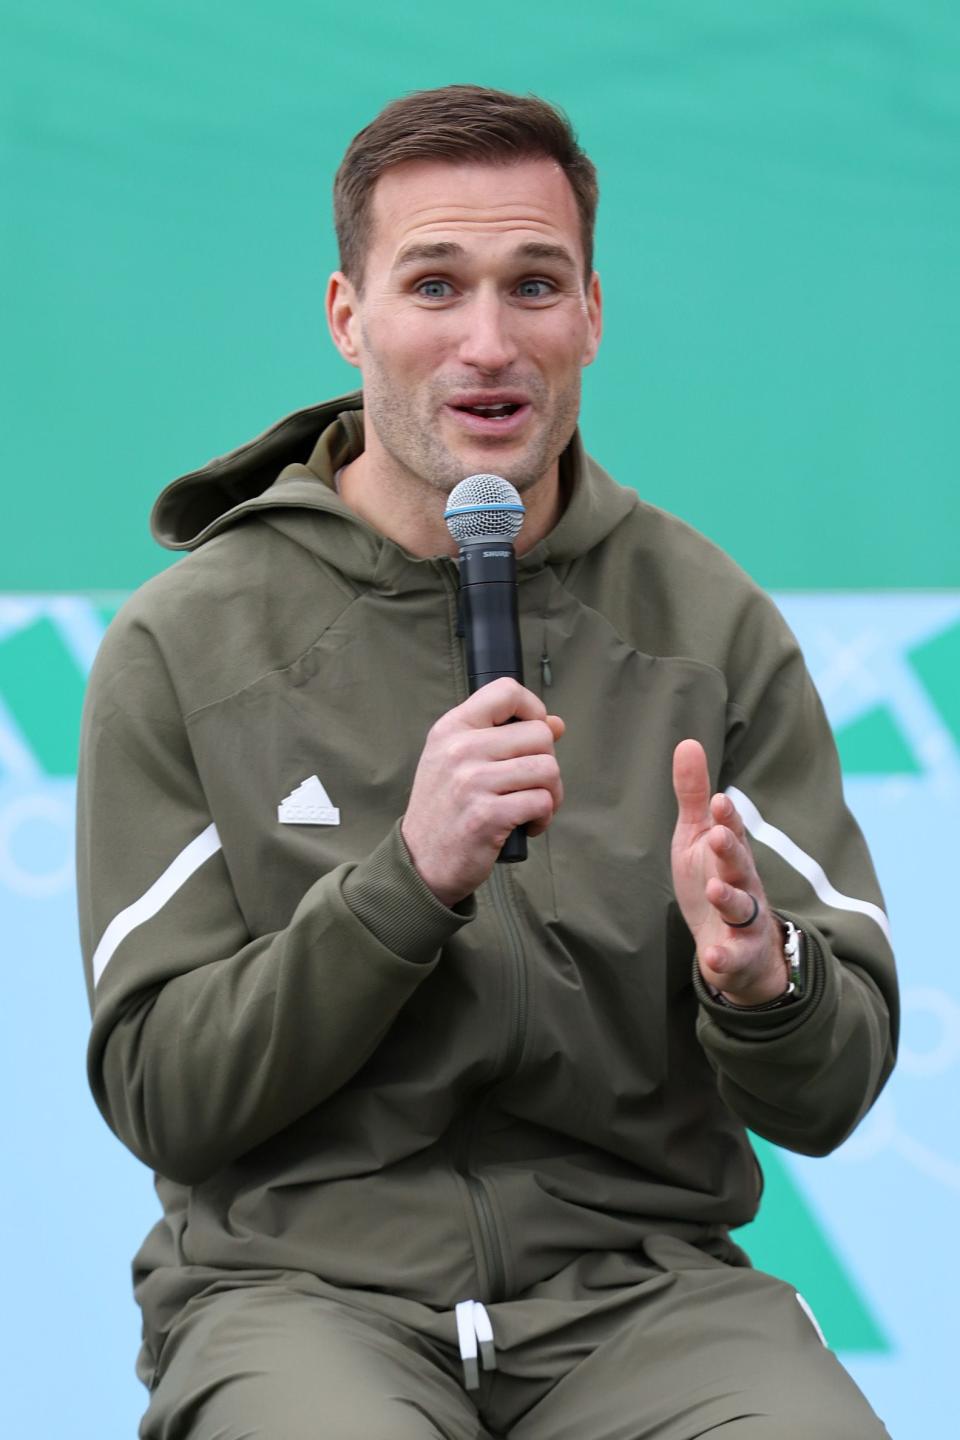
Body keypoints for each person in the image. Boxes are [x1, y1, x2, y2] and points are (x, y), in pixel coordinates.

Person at [78, 85, 897, 1439]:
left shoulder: (710, 627)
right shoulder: (189, 643)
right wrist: (405, 880)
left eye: (533, 285)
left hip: (647, 1300)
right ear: (350, 316)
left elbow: (837, 1086)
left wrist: (767, 985)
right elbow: (169, 1092)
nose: (487, 341)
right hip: (302, 1298)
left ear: (590, 313)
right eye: (435, 285)